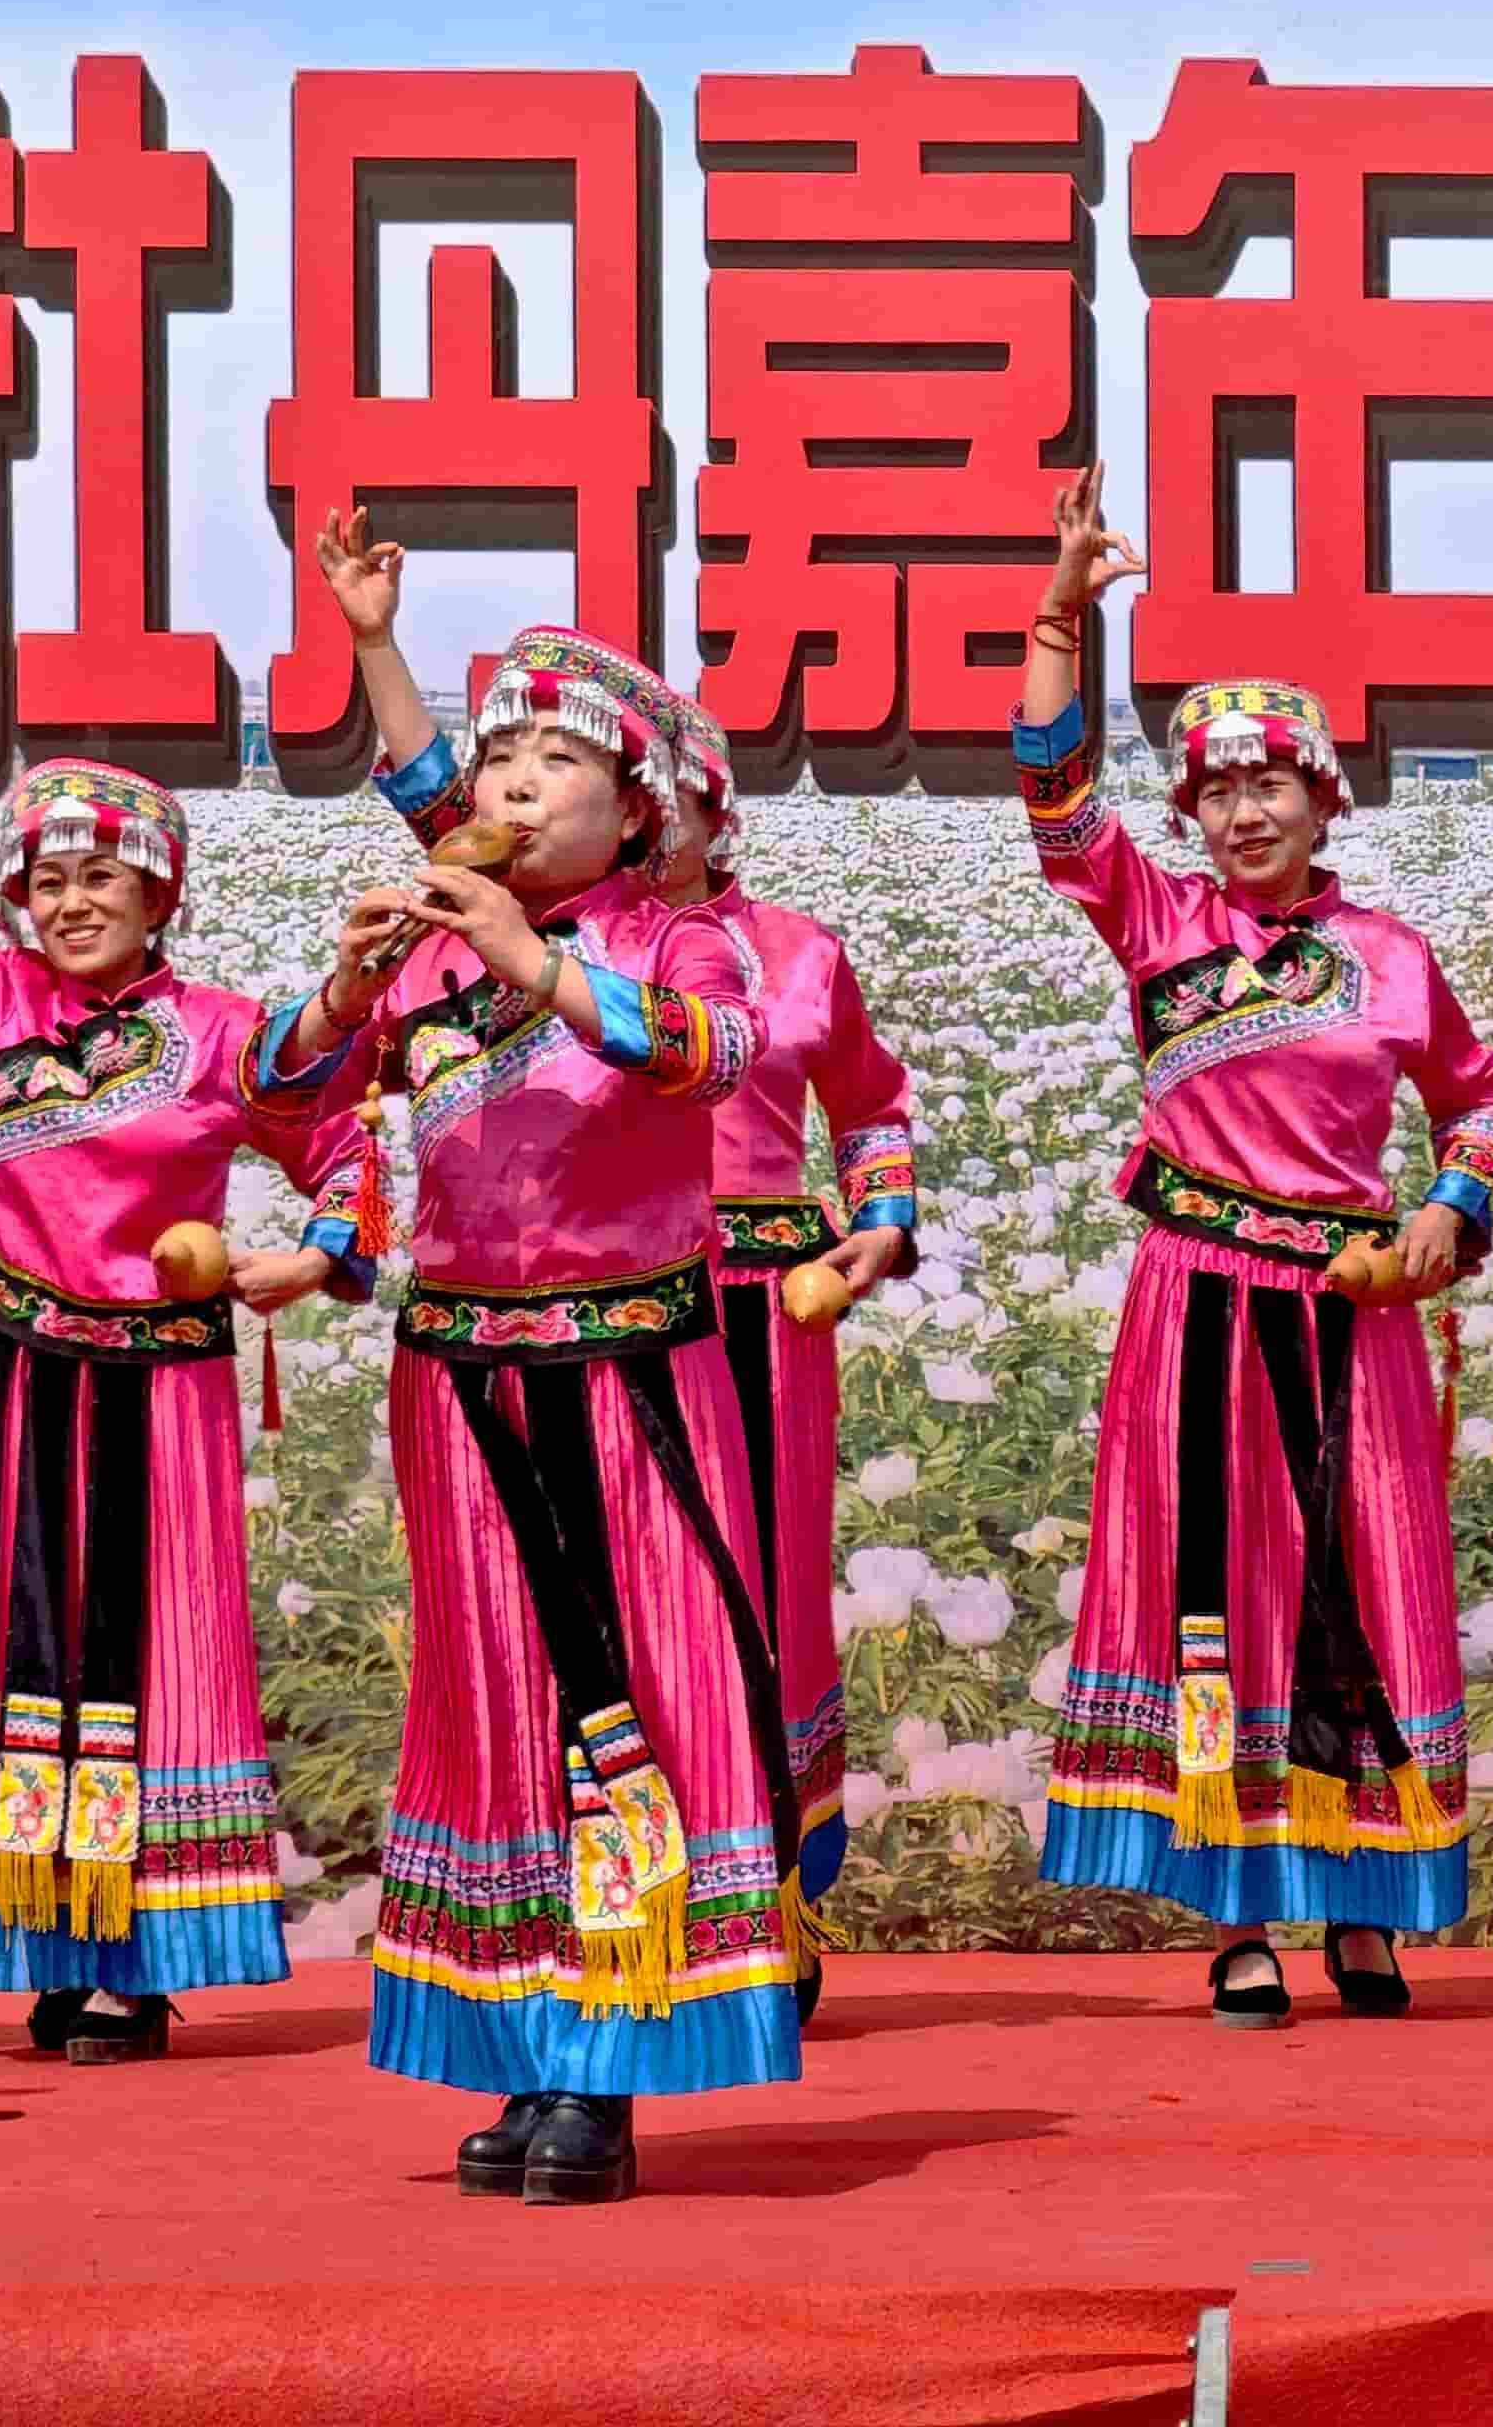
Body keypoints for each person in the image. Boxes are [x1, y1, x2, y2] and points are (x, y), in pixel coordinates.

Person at [261, 514, 801, 2204]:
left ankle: (611, 2058)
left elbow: (716, 1057)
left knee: (624, 1688)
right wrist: (345, 982)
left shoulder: (672, 937)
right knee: (493, 1692)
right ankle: (521, 2036)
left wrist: (535, 964)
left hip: (622, 1367)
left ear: (635, 808)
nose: (510, 779)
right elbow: (277, 1094)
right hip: (456, 1368)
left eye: (557, 759)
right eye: (501, 753)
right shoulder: (433, 931)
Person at [0, 550, 376, 2060]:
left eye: (103, 877)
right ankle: (45, 1930)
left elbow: (338, 1136)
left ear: (159, 894)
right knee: (23, 1647)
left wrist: (311, 1255)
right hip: (17, 1365)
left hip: (163, 1382)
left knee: (153, 1649)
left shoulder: (218, 1033)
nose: (72, 902)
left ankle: (142, 1955)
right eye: (48, 879)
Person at [1012, 468, 1493, 2027]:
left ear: (1323, 798)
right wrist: (1058, 619)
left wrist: (1448, 1208)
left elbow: (1478, 1103)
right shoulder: (1156, 920)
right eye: (1214, 791)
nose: (1240, 812)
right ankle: (1231, 1911)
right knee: (1211, 1586)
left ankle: (1365, 1903)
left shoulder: (1391, 959)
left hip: (1351, 1312)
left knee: (1358, 1580)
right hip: (1198, 1304)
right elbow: (1052, 798)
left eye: (1269, 784)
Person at [616, 671, 917, 1993]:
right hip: (611, 1303)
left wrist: (882, 1222)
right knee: (628, 1587)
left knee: (768, 1585)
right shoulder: (559, 958)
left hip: (769, 1311)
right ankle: (629, 1895)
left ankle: (772, 1900)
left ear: (711, 807)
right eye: (624, 798)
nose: (647, 823)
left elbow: (872, 1106)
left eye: (664, 797)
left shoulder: (799, 951)